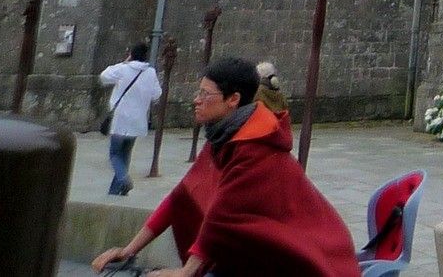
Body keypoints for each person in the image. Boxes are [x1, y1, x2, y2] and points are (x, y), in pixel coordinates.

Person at [139, 55, 359, 277]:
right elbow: (182, 196)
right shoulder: (224, 137)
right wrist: (129, 249)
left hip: (306, 259)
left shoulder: (254, 147)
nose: (196, 100)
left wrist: (186, 272)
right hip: (258, 256)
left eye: (205, 94)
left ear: (233, 99)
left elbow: (220, 216)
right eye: (198, 93)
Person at [92, 143, 219, 274]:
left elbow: (224, 220)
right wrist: (128, 251)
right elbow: (179, 198)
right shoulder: (215, 143)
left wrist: (186, 272)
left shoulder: (239, 147)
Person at [99, 40, 163, 196]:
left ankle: (123, 179)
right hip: (138, 121)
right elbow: (157, 94)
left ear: (131, 55)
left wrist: (124, 63)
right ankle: (116, 190)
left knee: (114, 154)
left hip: (120, 119)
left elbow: (103, 76)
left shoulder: (123, 69)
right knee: (125, 154)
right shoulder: (151, 72)